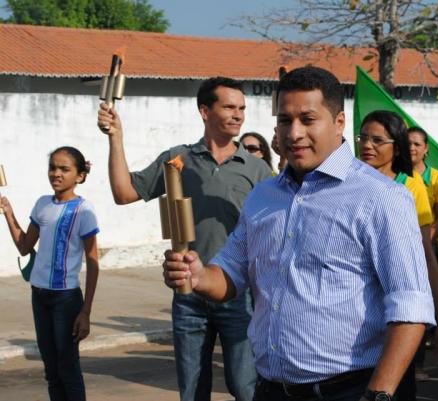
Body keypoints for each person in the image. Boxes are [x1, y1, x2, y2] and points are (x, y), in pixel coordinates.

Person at [163, 66, 435, 401]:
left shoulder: (381, 198)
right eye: (284, 120)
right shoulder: (263, 197)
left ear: (338, 123)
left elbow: (411, 307)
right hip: (271, 389)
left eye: (308, 119)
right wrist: (199, 274)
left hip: (351, 391)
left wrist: (379, 394)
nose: (293, 133)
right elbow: (230, 275)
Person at [97, 77, 271, 401]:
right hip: (188, 293)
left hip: (237, 293)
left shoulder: (257, 169)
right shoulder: (177, 161)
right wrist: (116, 138)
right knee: (192, 391)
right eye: (229, 107)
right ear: (205, 111)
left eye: (242, 108)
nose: (238, 115)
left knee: (245, 387)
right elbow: (124, 192)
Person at [357, 110, 438, 399]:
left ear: (396, 147)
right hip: (356, 315)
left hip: (397, 312)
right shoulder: (347, 182)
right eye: (363, 137)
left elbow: (425, 256)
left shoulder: (411, 187)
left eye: (377, 140)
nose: (367, 145)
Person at [1, 146, 99, 401]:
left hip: (66, 300)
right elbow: (24, 246)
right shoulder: (42, 204)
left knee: (68, 368)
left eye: (64, 169)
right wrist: (8, 214)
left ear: (79, 176)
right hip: (39, 296)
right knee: (51, 370)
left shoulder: (84, 210)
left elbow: (93, 261)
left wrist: (85, 311)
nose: (56, 173)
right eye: (53, 167)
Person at [407, 126, 438, 380]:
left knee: (422, 302)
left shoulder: (435, 178)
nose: (412, 148)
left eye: (417, 144)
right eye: (408, 143)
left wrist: (426, 238)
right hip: (404, 245)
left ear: (426, 149)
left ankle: (418, 363)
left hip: (426, 243)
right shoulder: (397, 175)